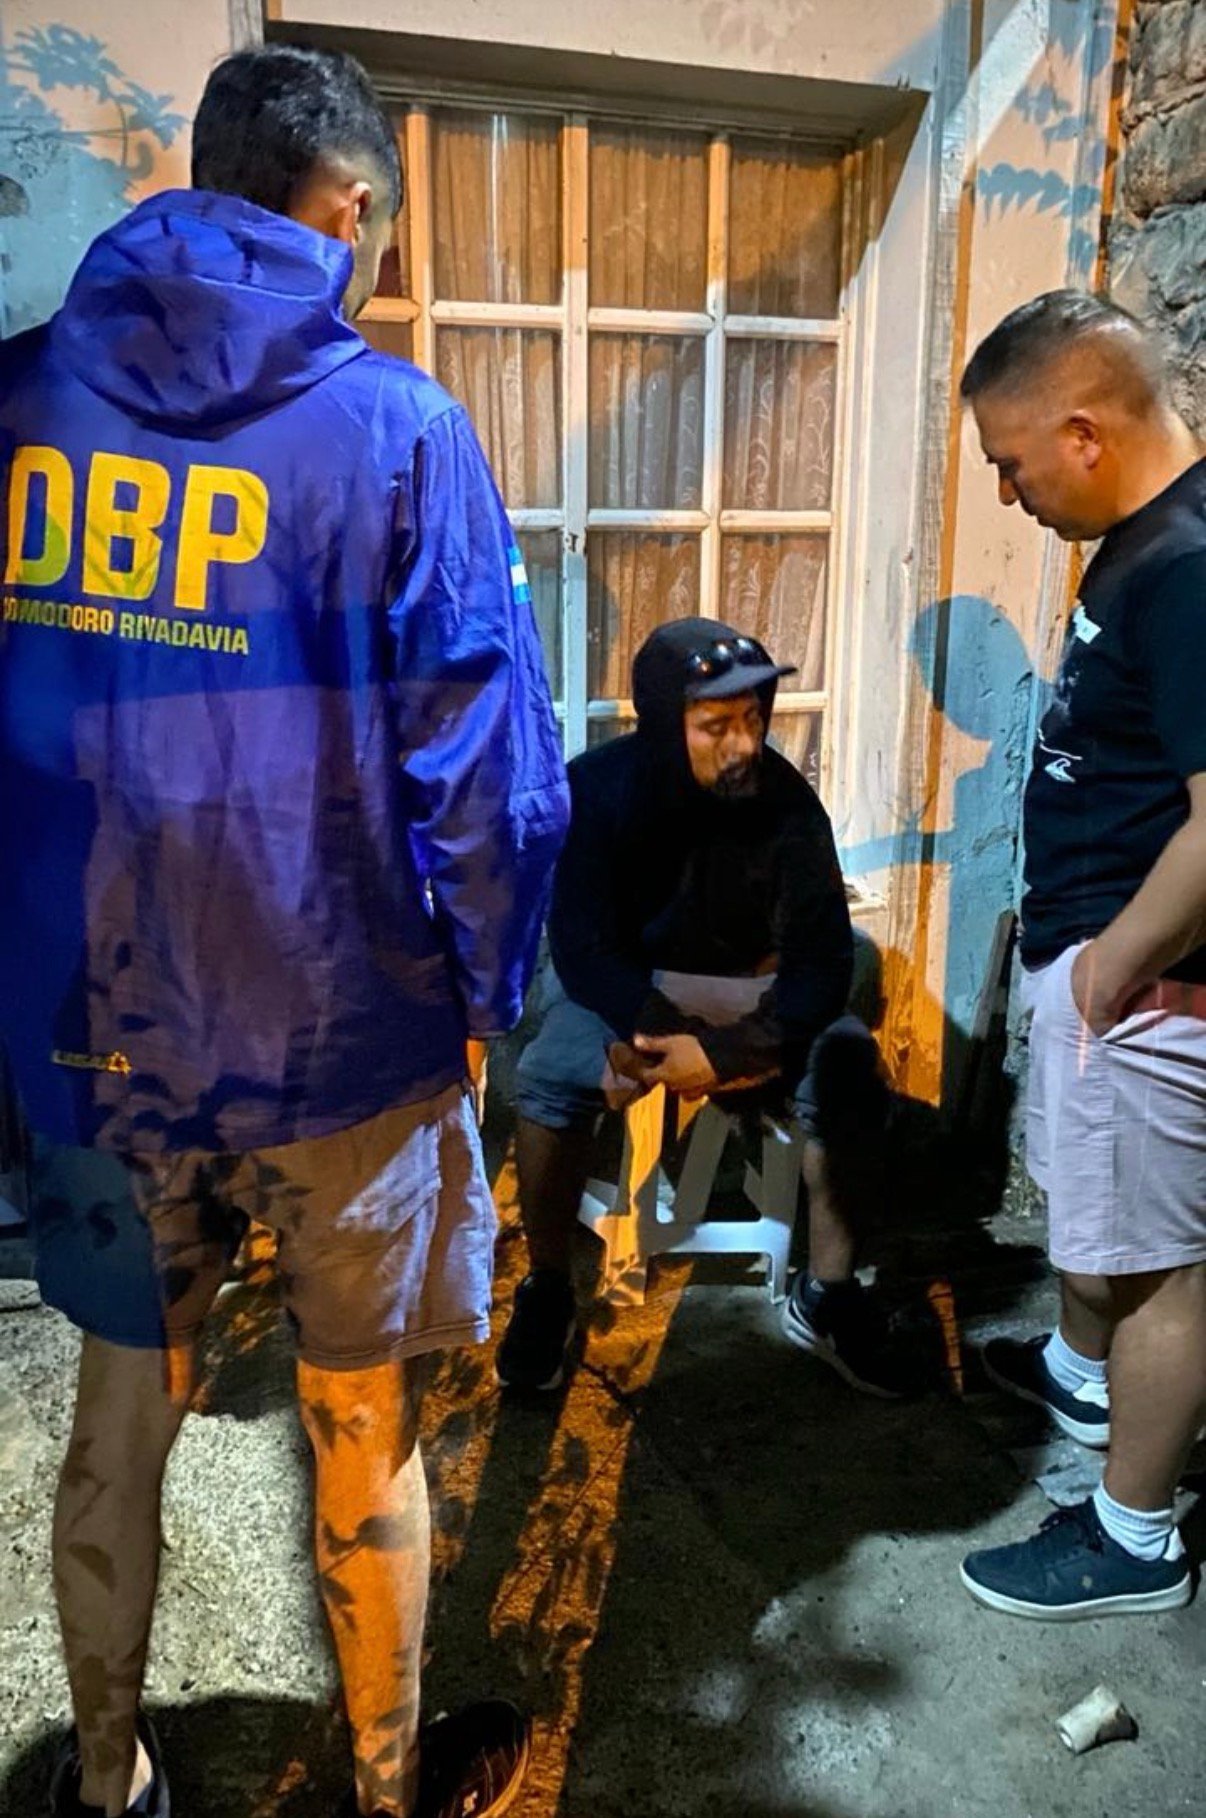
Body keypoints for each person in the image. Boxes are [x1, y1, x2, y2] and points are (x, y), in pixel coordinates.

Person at [0, 43, 569, 1818]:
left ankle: (108, 1783)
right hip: (344, 1039)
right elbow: (489, 775)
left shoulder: (16, 403)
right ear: (350, 206)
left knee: (120, 1406)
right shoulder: (400, 429)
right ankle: (389, 1789)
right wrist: (484, 993)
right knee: (358, 1417)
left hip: (92, 1034)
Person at [957, 290, 1206, 1620]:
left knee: (1160, 1267)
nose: (1010, 494)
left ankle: (1134, 1536)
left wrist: (1112, 967)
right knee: (1107, 1232)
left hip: (1145, 986)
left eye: (1011, 464)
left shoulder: (1188, 567)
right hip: (1105, 961)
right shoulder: (1139, 545)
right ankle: (1086, 1389)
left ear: (1083, 432)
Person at [496, 618, 903, 1398]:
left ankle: (830, 1295)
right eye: (717, 726)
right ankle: (547, 1286)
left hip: (753, 993)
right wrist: (653, 1028)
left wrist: (725, 1053)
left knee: (850, 1070)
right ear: (662, 725)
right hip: (633, 990)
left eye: (753, 719)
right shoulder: (598, 791)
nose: (743, 744)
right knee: (547, 1072)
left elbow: (822, 963)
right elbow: (581, 945)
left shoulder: (788, 805)